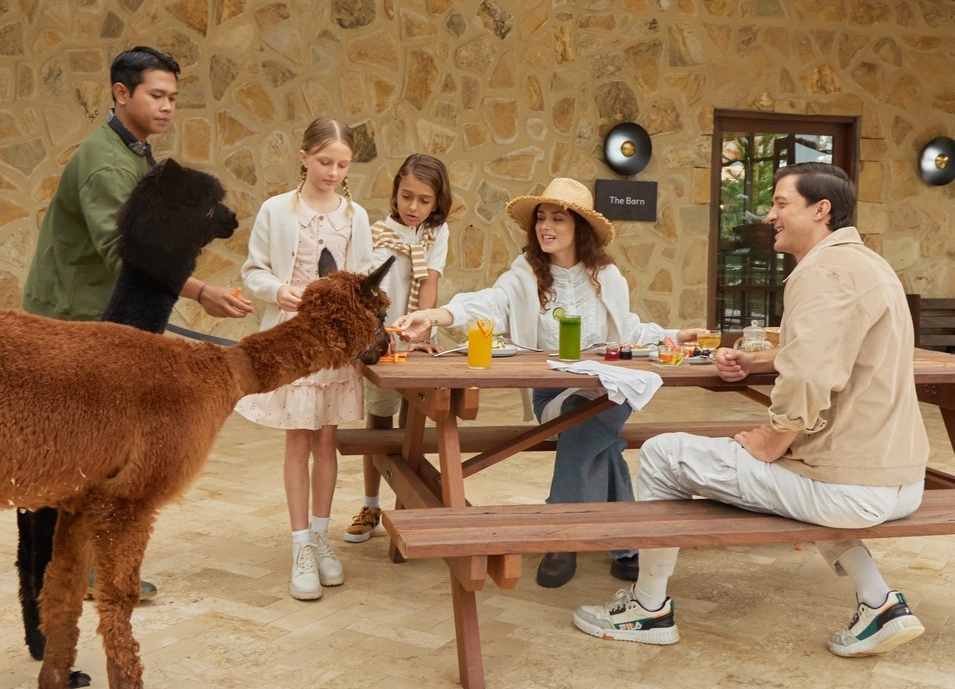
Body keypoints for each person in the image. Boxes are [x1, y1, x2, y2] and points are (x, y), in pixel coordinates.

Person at [573, 162, 930, 658]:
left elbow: (809, 375)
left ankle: (647, 608)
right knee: (795, 477)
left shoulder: (821, 272)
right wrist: (759, 360)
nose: (770, 215)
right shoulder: (871, 265)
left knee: (660, 454)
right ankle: (879, 603)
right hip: (902, 480)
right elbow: (836, 351)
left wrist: (776, 437)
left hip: (850, 487)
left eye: (781, 203)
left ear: (821, 210)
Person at [21, 45, 252, 602]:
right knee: (80, 452)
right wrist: (201, 290)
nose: (168, 106)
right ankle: (73, 571)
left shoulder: (135, 152)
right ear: (121, 93)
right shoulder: (105, 163)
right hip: (76, 322)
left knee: (100, 449)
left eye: (173, 97)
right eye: (157, 95)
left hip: (107, 322)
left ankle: (81, 564)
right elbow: (122, 252)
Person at [395, 178, 700, 587]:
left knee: (595, 413)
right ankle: (622, 543)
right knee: (591, 429)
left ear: (579, 228)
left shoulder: (608, 276)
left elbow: (628, 329)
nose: (545, 226)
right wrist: (434, 315)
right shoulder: (524, 274)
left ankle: (562, 536)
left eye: (558, 218)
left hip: (608, 388)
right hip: (553, 393)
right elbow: (488, 302)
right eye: (541, 218)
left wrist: (674, 336)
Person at [235, 117, 374, 601]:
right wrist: (279, 290)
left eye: (342, 165)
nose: (333, 172)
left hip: (336, 348)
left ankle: (321, 538)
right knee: (298, 441)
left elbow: (365, 278)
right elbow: (253, 271)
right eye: (324, 162)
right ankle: (300, 548)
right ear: (304, 157)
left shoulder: (355, 216)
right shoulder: (276, 210)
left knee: (326, 441)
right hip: (293, 341)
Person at [345, 154, 453, 544]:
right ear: (394, 192)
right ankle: (371, 504)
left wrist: (421, 336)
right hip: (382, 341)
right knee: (380, 421)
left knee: (415, 424)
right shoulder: (375, 234)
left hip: (416, 339)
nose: (413, 207)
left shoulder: (436, 234)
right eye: (407, 196)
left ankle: (407, 509)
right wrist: (380, 334)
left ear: (437, 202)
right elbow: (367, 292)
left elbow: (429, 284)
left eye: (424, 200)